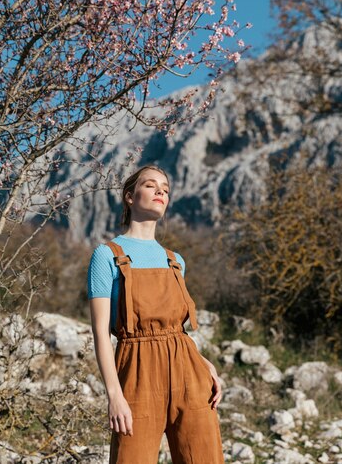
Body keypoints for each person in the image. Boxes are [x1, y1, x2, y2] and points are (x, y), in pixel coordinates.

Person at [87, 165, 224, 464]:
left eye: (165, 187)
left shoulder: (176, 261)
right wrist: (114, 395)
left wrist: (203, 364)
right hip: (137, 374)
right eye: (150, 185)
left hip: (189, 373)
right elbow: (100, 333)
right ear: (129, 197)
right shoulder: (106, 255)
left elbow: (177, 330)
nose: (161, 191)